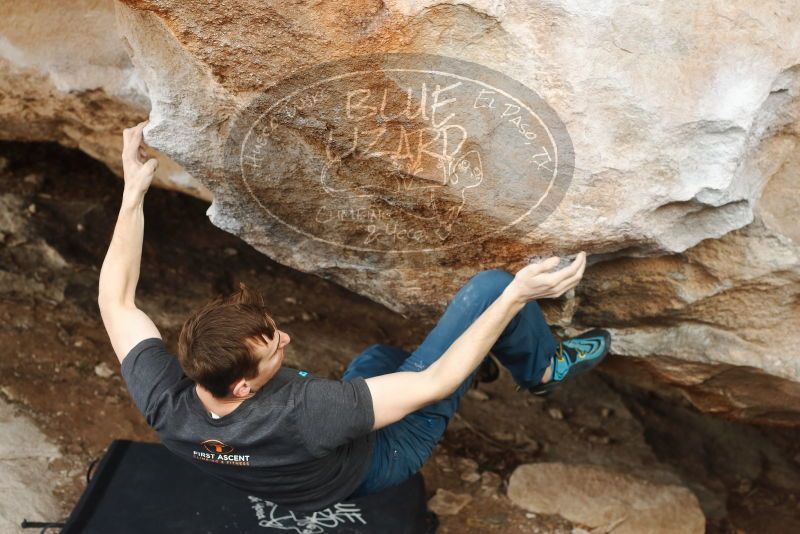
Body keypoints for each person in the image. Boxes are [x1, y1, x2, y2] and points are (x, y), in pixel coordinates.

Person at [98, 121, 611, 512]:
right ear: (243, 389)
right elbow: (434, 382)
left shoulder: (169, 405)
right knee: (490, 290)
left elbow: (116, 301)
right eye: (275, 347)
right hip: (385, 457)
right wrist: (519, 293)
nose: (287, 338)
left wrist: (133, 190)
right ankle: (542, 369)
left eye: (273, 331)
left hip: (309, 478)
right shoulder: (310, 411)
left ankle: (486, 353)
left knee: (379, 358)